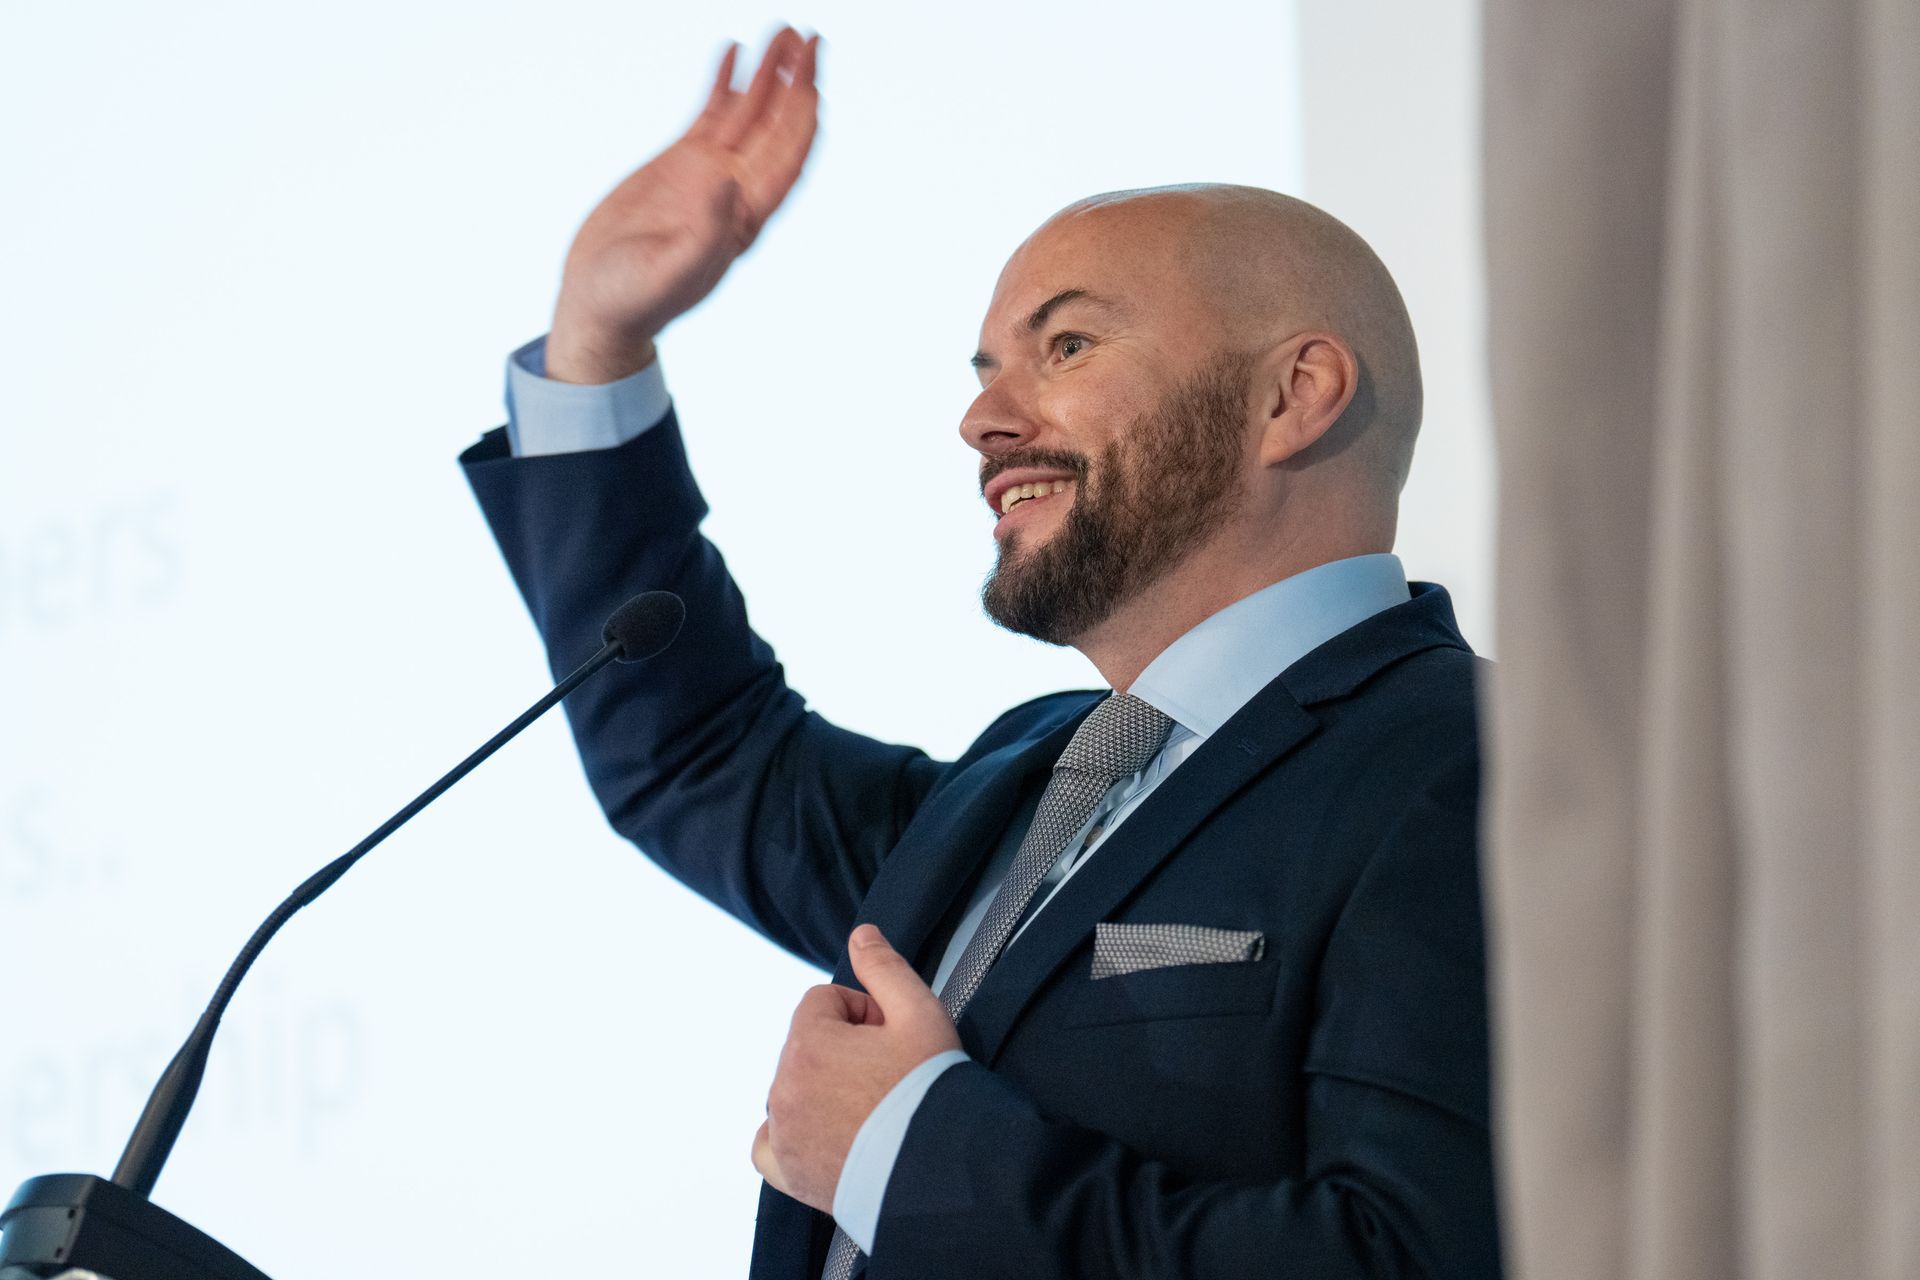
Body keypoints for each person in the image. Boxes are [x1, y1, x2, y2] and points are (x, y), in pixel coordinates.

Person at [462, 26, 1500, 1280]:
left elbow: (1403, 1256)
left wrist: (904, 1148)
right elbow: (697, 753)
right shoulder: (1031, 775)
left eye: (1065, 346)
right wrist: (595, 350)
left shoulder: (1474, 765)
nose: (981, 419)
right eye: (986, 368)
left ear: (1295, 394)